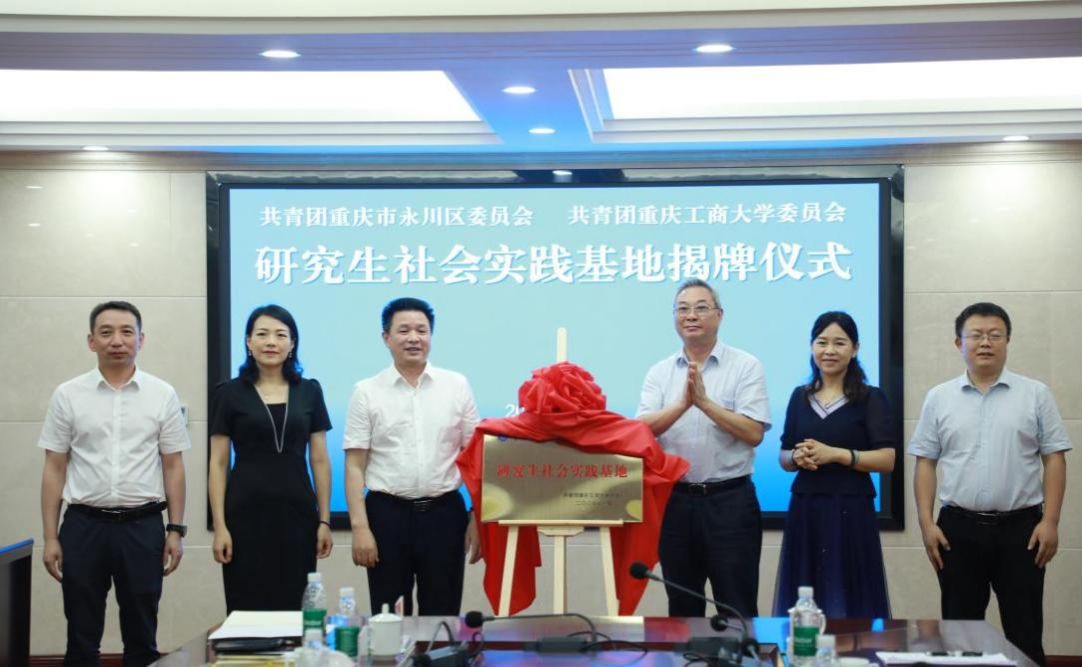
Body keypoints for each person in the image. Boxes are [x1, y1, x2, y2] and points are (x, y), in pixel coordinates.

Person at [910, 302, 1070, 666]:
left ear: (1007, 341)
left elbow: (1054, 458)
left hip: (1023, 530)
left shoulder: (1036, 394)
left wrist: (1051, 521)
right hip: (957, 529)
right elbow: (925, 462)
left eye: (995, 335)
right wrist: (926, 524)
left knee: (1025, 631)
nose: (985, 342)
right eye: (976, 335)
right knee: (959, 634)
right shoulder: (939, 397)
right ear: (959, 343)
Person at [39, 301, 189, 667]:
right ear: (91, 341)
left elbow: (173, 466)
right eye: (106, 332)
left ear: (141, 340)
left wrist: (175, 530)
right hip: (83, 526)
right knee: (81, 635)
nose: (117, 341)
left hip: (143, 527)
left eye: (126, 332)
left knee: (142, 634)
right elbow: (54, 468)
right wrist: (50, 537)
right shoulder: (67, 394)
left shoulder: (162, 394)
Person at [637, 278, 771, 618]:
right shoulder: (659, 372)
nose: (691, 315)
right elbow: (641, 430)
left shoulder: (745, 366)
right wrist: (682, 405)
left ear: (719, 315)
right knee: (683, 607)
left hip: (730, 502)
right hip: (676, 502)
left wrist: (705, 404)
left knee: (736, 605)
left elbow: (754, 431)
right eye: (683, 309)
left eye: (700, 308)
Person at [343, 297, 481, 615]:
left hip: (444, 515)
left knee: (443, 615)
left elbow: (475, 455)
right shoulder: (366, 391)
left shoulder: (456, 385)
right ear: (386, 337)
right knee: (389, 618)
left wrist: (477, 515)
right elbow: (354, 466)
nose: (414, 338)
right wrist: (360, 528)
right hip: (386, 516)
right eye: (403, 330)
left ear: (431, 335)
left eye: (422, 330)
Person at [208, 304, 333, 613]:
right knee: (246, 607)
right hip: (244, 515)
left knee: (295, 607)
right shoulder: (228, 393)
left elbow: (319, 459)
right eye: (262, 334)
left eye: (280, 335)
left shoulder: (310, 391)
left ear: (292, 344)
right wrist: (220, 526)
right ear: (248, 341)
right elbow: (218, 463)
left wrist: (324, 520)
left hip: (298, 514)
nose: (271, 342)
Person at [772, 311, 895, 618]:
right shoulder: (800, 397)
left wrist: (837, 454)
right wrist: (795, 458)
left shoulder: (871, 398)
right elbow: (784, 455)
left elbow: (887, 459)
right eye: (822, 342)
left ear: (855, 349)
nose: (829, 350)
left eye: (839, 343)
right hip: (806, 507)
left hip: (851, 509)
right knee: (805, 595)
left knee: (851, 597)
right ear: (811, 346)